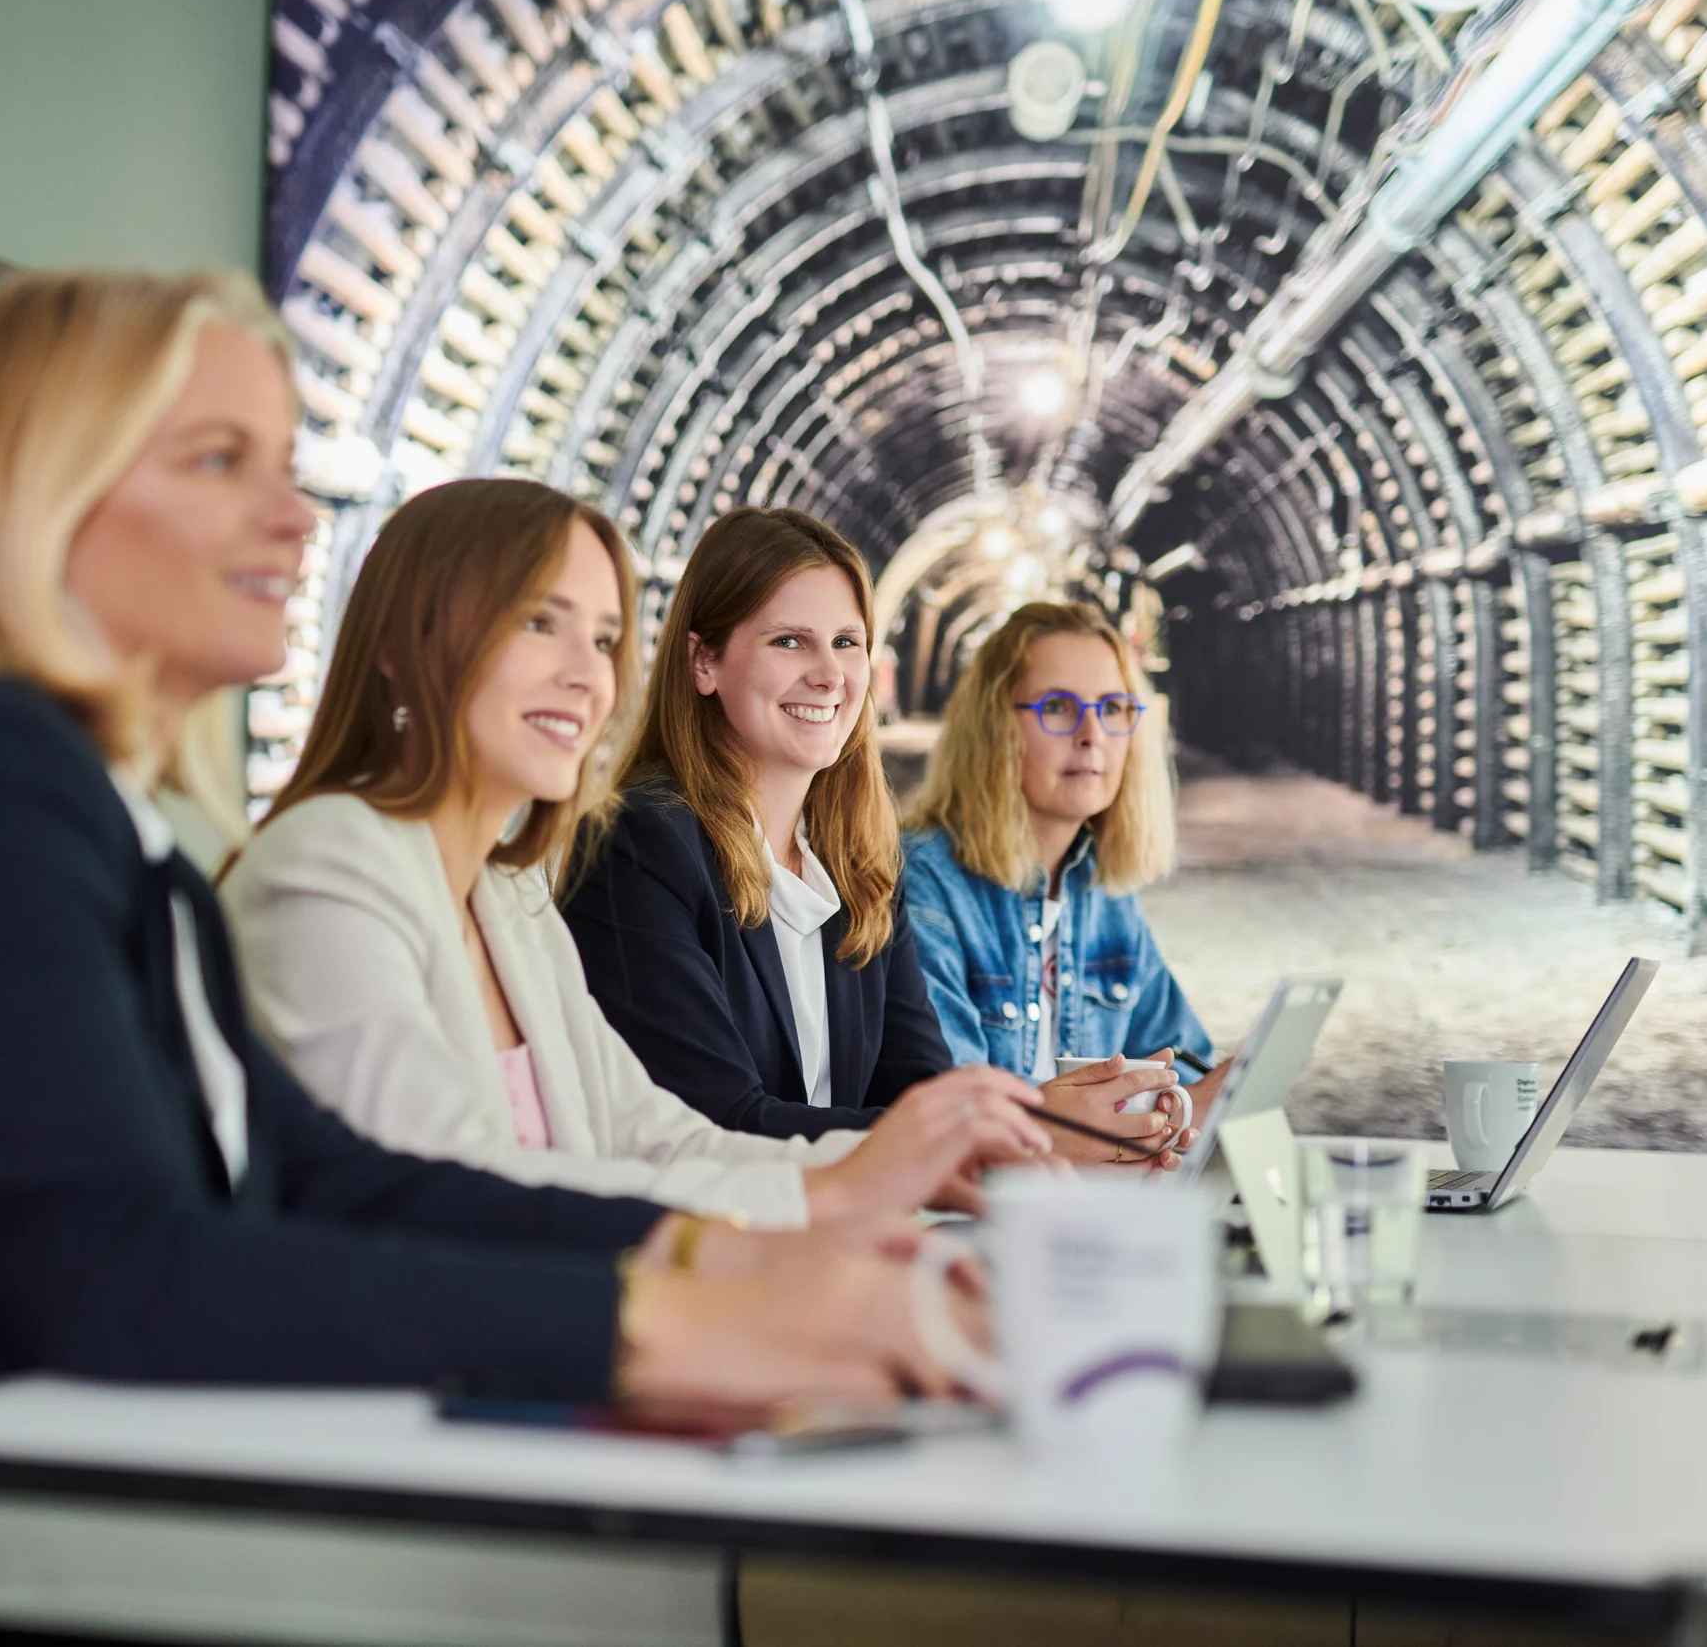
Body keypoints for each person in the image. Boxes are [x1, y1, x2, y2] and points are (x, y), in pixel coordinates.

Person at [0, 274, 966, 1612]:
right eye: (220, 463)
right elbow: (135, 1270)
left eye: (285, 469)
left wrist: (729, 1247)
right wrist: (662, 1325)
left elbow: (336, 1182)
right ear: (43, 498)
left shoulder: (105, 827)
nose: (292, 520)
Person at [225, 480, 1049, 1230]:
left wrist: (930, 1157)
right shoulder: (326, 866)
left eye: (606, 637)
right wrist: (837, 1197)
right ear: (405, 645)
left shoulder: (508, 901)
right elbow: (444, 1192)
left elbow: (651, 1138)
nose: (587, 674)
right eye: (539, 622)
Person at [562, 508, 1184, 1162]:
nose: (829, 674)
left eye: (846, 642)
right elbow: (716, 1127)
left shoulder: (857, 867)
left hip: (842, 1237)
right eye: (788, 641)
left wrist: (1067, 1128)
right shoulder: (638, 845)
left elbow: (921, 1091)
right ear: (704, 661)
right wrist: (1013, 1128)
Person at [902, 600, 1220, 1119]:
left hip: (1091, 1194)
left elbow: (1183, 1062)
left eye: (1113, 708)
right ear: (993, 728)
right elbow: (956, 1111)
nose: (1091, 734)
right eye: (1057, 707)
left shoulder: (1102, 893)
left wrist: (1209, 1094)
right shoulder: (926, 887)